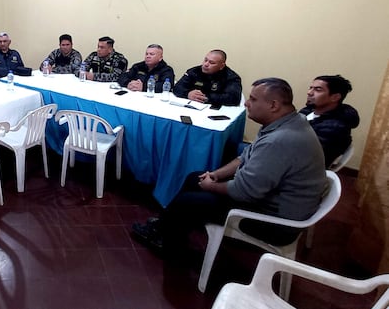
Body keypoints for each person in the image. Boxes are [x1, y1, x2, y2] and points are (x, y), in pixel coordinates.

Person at [131, 78, 327, 255]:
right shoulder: (285, 123)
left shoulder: (281, 140)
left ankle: (168, 243)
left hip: (275, 222)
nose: (247, 103)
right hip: (269, 198)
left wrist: (211, 186)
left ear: (273, 105)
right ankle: (167, 227)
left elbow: (244, 191)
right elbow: (245, 156)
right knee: (195, 177)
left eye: (253, 99)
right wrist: (216, 174)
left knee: (189, 200)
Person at [299, 75, 360, 166]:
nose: (309, 92)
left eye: (318, 89)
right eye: (310, 88)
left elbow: (307, 155)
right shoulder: (307, 111)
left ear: (335, 97)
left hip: (301, 170)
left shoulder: (335, 128)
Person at [172, 49, 242, 106]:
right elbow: (177, 87)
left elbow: (233, 98)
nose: (206, 64)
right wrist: (188, 94)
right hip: (192, 107)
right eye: (205, 60)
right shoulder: (194, 71)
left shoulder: (231, 77)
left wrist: (205, 97)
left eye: (211, 63)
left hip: (215, 111)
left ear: (222, 66)